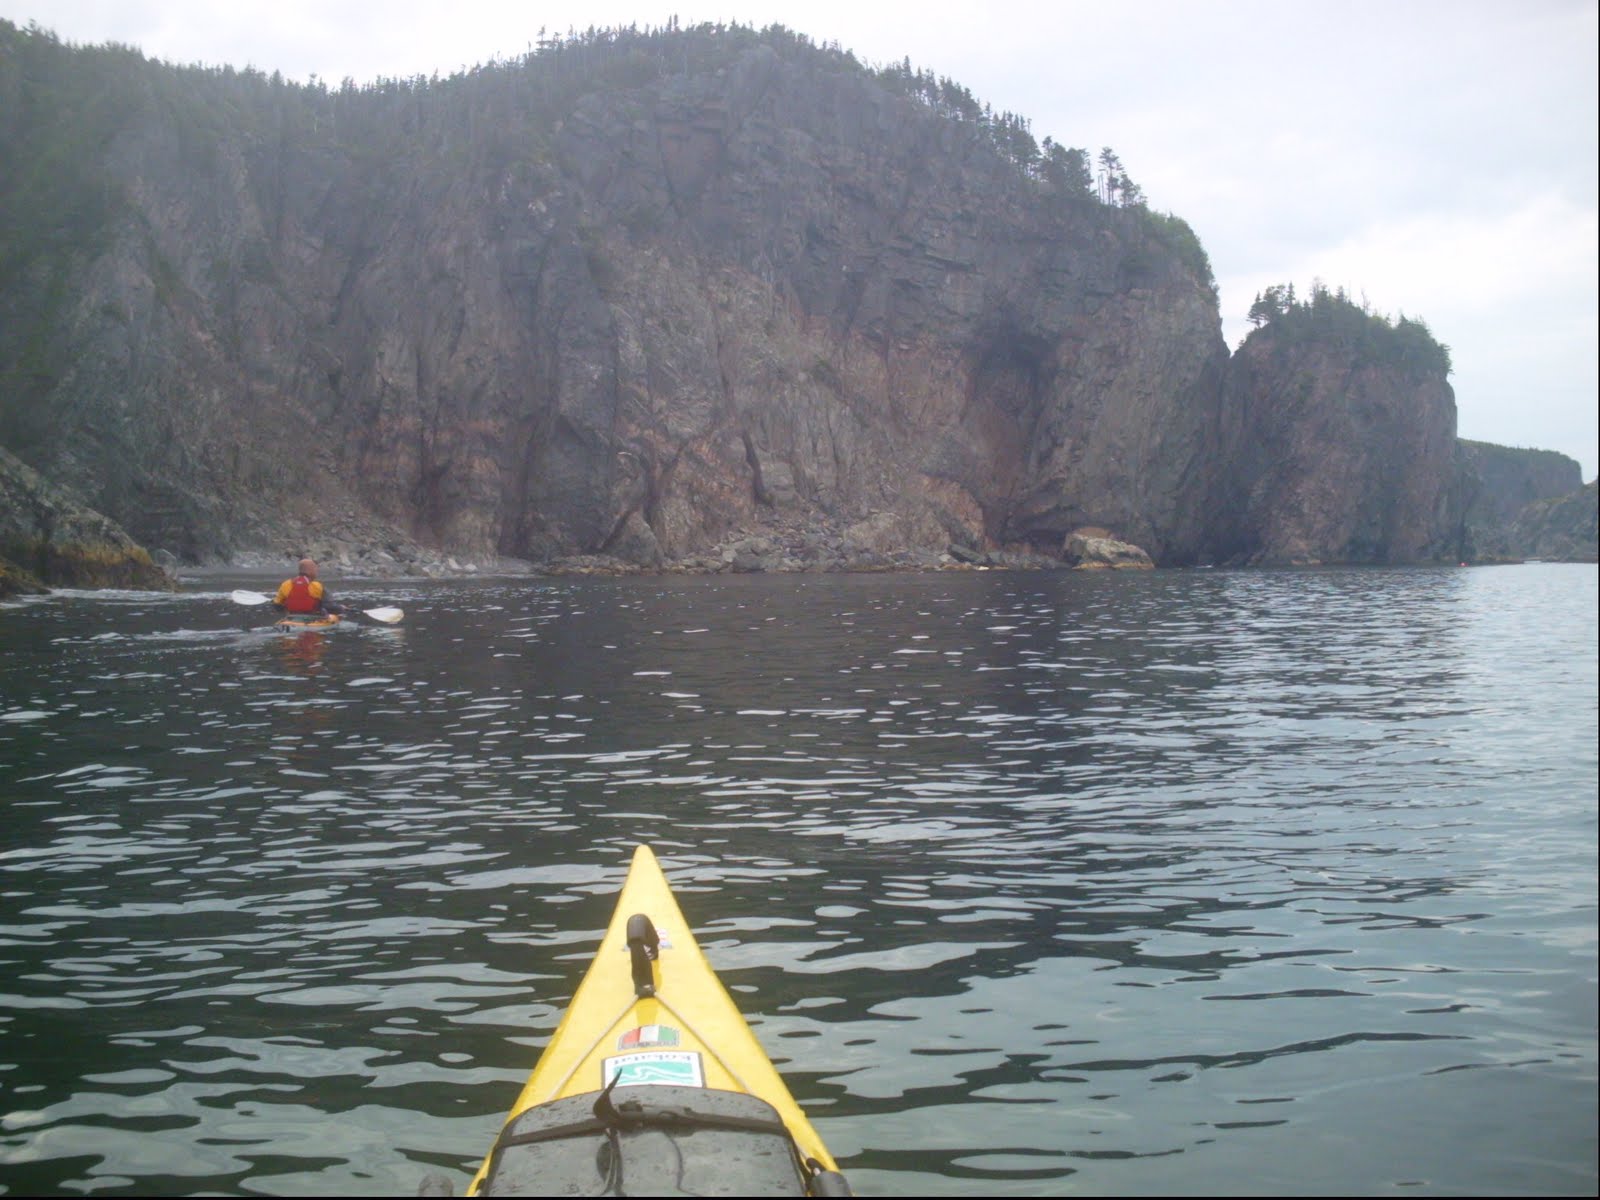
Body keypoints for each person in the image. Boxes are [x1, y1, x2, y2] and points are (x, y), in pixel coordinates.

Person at [273, 558, 347, 617]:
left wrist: (288, 610)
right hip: (313, 618)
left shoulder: (286, 584)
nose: (316, 572)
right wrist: (341, 608)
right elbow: (330, 607)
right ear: (310, 570)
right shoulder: (317, 586)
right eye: (315, 569)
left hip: (292, 617)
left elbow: (276, 605)